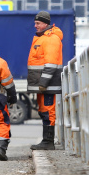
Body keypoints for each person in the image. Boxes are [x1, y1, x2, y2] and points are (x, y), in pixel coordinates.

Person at [27, 11, 64, 151]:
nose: (35, 26)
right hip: (43, 84)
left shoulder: (50, 39)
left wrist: (43, 82)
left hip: (47, 84)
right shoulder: (43, 38)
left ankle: (48, 142)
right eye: (35, 23)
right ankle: (46, 141)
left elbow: (51, 64)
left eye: (38, 23)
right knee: (44, 111)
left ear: (45, 23)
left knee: (48, 111)